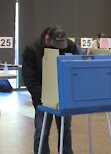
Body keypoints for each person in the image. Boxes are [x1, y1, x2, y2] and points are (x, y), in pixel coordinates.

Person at [22, 26, 78, 154]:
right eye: (55, 44)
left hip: (64, 96)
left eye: (61, 45)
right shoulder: (32, 49)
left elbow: (76, 67)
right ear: (47, 37)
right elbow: (29, 78)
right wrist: (44, 97)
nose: (58, 47)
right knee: (42, 130)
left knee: (65, 128)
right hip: (42, 98)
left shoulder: (69, 45)